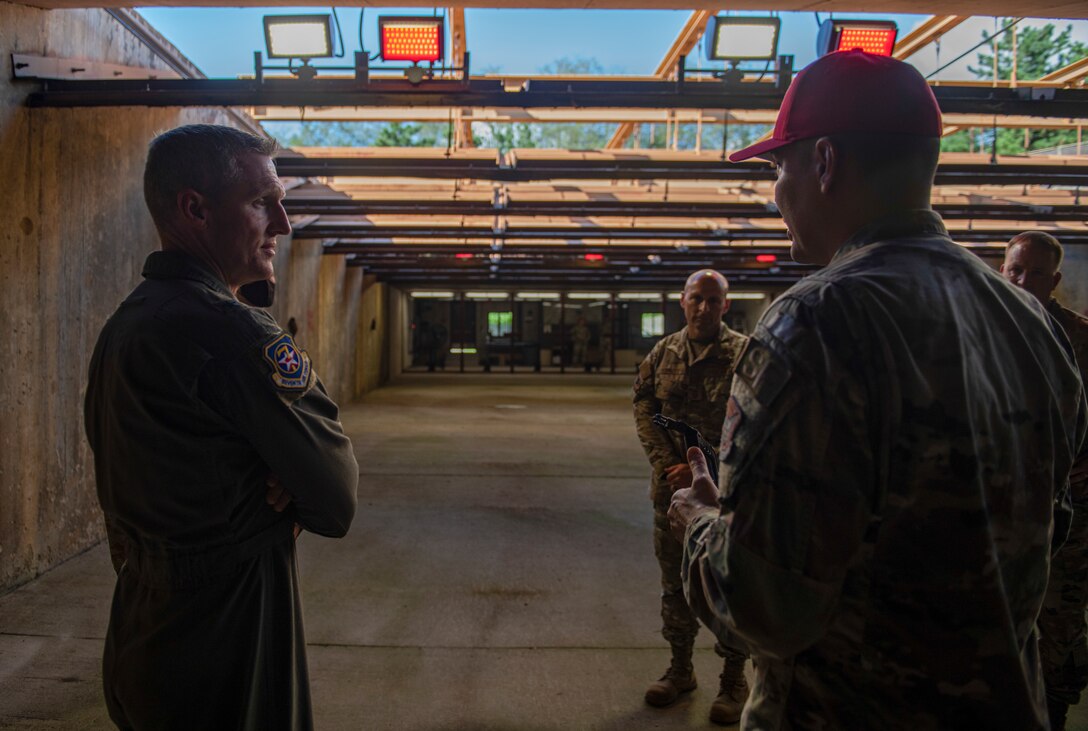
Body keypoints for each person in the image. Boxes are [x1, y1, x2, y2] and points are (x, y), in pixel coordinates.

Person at [668, 51, 1086, 730]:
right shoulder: (1031, 324)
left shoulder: (816, 322)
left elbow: (764, 604)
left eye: (779, 168)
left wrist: (700, 524)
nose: (776, 192)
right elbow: (1046, 530)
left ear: (826, 163)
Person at [84, 124, 359, 730]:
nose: (283, 224)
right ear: (195, 209)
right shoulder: (232, 332)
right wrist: (289, 468)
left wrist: (280, 464)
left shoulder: (125, 327)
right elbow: (336, 495)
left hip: (142, 627)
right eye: (263, 202)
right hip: (230, 638)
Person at [633, 270, 750, 725]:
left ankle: (733, 680)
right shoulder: (664, 352)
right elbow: (644, 406)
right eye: (696, 299)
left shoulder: (743, 354)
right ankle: (680, 670)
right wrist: (668, 465)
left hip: (728, 496)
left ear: (726, 304)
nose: (704, 308)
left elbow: (756, 420)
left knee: (731, 585)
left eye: (713, 300)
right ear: (682, 301)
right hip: (671, 492)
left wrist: (712, 465)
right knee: (674, 585)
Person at [1002, 231, 1088, 729]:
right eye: (1015, 270)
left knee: (1057, 623)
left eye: (1036, 273)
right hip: (1000, 505)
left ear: (1054, 280)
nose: (1023, 281)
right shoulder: (982, 331)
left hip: (1067, 514)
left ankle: (1053, 712)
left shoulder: (1077, 338)